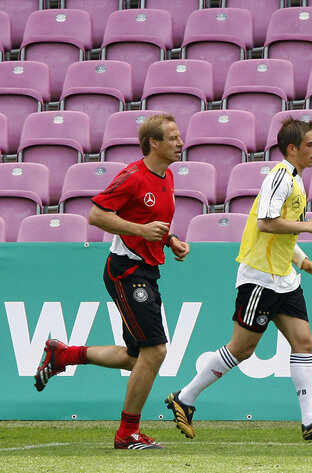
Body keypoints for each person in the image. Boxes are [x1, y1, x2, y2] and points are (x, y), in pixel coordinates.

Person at [165, 117, 312, 441]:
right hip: (261, 277)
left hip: (284, 277)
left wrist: (303, 261)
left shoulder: (295, 179)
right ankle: (185, 397)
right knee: (242, 348)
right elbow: (266, 223)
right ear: (292, 148)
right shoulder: (280, 177)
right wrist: (308, 227)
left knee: (304, 341)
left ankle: (310, 420)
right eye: (310, 144)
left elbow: (281, 233)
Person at [34, 114, 190, 449]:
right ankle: (127, 434)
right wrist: (141, 232)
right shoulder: (133, 176)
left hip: (146, 270)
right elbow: (97, 215)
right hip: (126, 271)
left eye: (180, 137)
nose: (181, 142)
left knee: (137, 358)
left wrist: (170, 239)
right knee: (156, 351)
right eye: (174, 137)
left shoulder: (168, 176)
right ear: (154, 143)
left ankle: (62, 355)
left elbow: (151, 220)